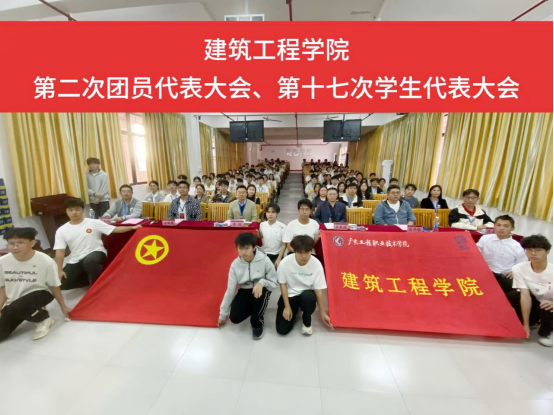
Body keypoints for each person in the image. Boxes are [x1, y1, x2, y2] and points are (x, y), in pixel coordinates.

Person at [0, 228, 72, 342]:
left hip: (42, 293)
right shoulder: (2, 262)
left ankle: (43, 318)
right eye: (11, 243)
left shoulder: (45, 261)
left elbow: (54, 286)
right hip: (15, 299)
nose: (15, 247)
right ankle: (33, 310)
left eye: (20, 243)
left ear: (32, 243)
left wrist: (63, 306)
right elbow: (3, 288)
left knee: (15, 308)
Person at [55, 198, 141, 290]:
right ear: (66, 211)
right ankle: (92, 277)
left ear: (82, 210)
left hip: (96, 252)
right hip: (76, 258)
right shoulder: (61, 230)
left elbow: (115, 229)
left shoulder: (94, 222)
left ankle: (96, 288)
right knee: (61, 284)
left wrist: (132, 227)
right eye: (70, 210)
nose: (74, 212)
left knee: (90, 262)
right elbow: (60, 252)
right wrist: (59, 270)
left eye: (77, 209)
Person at [217, 233, 278, 340]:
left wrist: (262, 282)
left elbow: (274, 282)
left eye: (247, 248)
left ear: (254, 248)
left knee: (258, 300)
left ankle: (257, 324)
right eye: (240, 248)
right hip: (245, 289)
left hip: (262, 288)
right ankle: (255, 309)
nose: (243, 252)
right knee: (234, 318)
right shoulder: (235, 265)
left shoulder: (265, 260)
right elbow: (230, 290)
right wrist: (222, 315)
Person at [276, 235, 332, 336]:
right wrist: (287, 307)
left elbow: (318, 290)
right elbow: (283, 285)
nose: (304, 256)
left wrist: (322, 313)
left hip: (307, 295)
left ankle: (306, 321)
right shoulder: (285, 263)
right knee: (282, 330)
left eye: (307, 252)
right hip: (290, 294)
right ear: (294, 251)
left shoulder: (317, 264)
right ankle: (295, 308)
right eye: (300, 253)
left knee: (308, 298)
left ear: (311, 250)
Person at [508, 235, 553, 347]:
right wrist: (526, 325)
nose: (533, 253)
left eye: (538, 250)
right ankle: (533, 321)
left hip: (549, 302)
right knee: (514, 295)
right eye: (529, 250)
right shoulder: (519, 268)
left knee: (546, 306)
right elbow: (525, 295)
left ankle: (549, 331)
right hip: (537, 300)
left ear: (547, 252)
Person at [477, 215, 527, 294]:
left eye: (505, 226)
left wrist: (513, 272)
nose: (501, 228)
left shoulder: (518, 247)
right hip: (484, 272)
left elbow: (522, 266)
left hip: (503, 277)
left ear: (512, 228)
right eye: (498, 225)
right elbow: (475, 254)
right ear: (494, 226)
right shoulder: (485, 238)